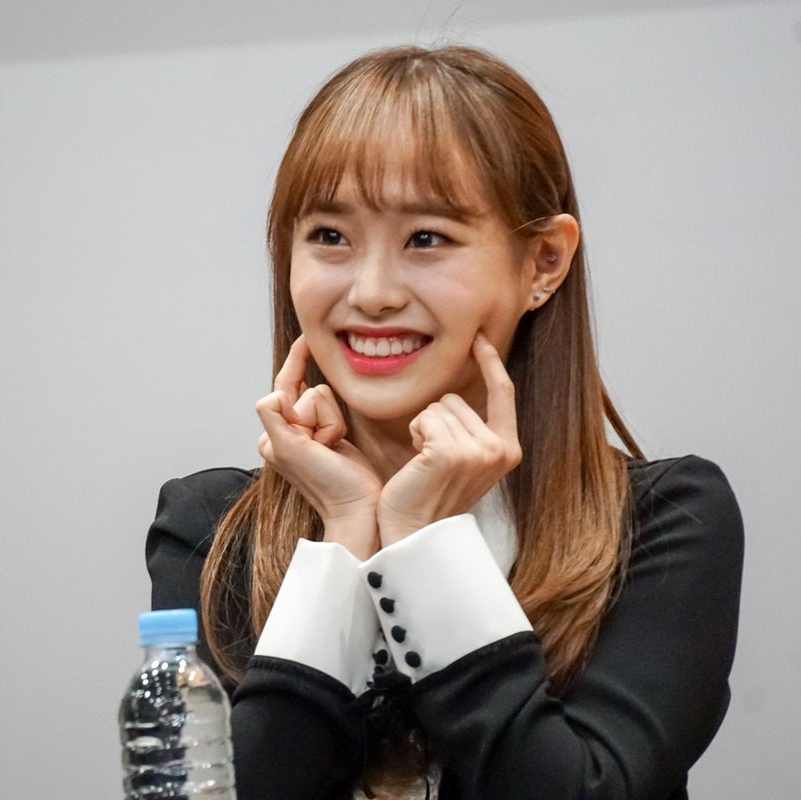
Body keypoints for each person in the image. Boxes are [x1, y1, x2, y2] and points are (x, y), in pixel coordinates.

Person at [145, 44, 743, 800]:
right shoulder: (208, 529)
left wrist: (424, 547)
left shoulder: (665, 520)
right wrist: (346, 532)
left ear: (544, 262)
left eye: (426, 238)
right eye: (329, 236)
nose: (372, 293)